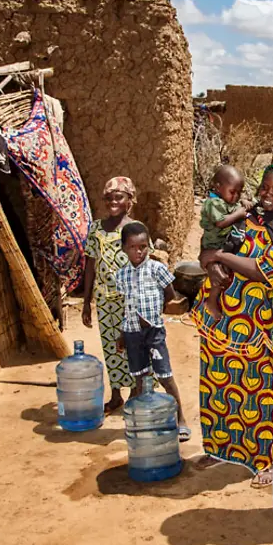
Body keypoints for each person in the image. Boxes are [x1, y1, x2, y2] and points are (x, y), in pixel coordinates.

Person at [191, 162, 273, 489]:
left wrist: (220, 258)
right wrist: (210, 263)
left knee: (256, 391)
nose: (267, 195)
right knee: (215, 382)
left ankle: (265, 459)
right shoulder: (243, 215)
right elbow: (208, 246)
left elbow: (263, 270)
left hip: (252, 319)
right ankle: (219, 448)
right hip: (219, 315)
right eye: (264, 187)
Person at [115, 221, 190, 441]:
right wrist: (122, 334)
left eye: (142, 247)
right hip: (132, 333)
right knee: (140, 379)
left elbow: (170, 294)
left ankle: (181, 419)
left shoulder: (156, 269)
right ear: (124, 248)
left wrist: (155, 313)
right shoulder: (122, 275)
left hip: (154, 333)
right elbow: (125, 305)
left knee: (165, 376)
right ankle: (143, 422)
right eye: (132, 247)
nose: (138, 252)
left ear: (148, 246)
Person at [81, 176, 137, 414]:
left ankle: (135, 392)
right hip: (104, 300)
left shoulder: (135, 229)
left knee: (132, 344)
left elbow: (142, 266)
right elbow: (90, 265)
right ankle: (116, 395)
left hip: (129, 300)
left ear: (129, 200)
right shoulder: (96, 228)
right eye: (109, 198)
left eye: (119, 197)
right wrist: (86, 302)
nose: (113, 202)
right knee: (110, 346)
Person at [200, 165, 254, 320]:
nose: (235, 196)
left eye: (239, 193)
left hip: (222, 244)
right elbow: (221, 222)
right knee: (219, 275)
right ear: (218, 187)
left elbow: (235, 205)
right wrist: (239, 213)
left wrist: (243, 202)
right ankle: (211, 301)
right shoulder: (212, 203)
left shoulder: (226, 200)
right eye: (232, 192)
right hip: (213, 246)